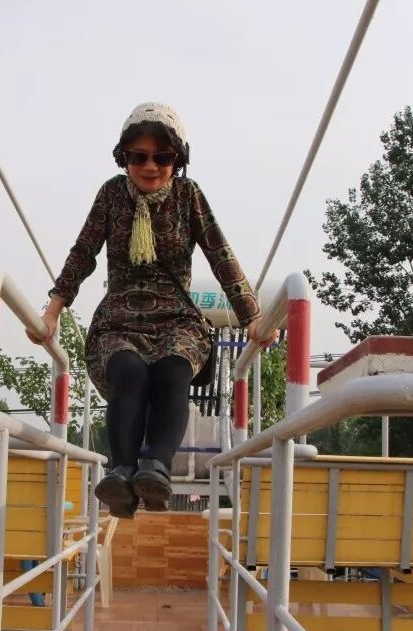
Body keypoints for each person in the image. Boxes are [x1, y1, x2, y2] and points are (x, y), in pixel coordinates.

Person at [28, 102, 276, 518]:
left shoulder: (188, 196)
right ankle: (121, 474)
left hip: (177, 317)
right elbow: (83, 253)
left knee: (172, 370)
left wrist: (252, 316)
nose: (150, 166)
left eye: (162, 157)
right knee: (128, 370)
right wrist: (51, 312)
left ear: (178, 159)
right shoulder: (111, 195)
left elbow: (221, 254)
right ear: (123, 158)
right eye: (138, 156)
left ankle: (155, 469)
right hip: (119, 317)